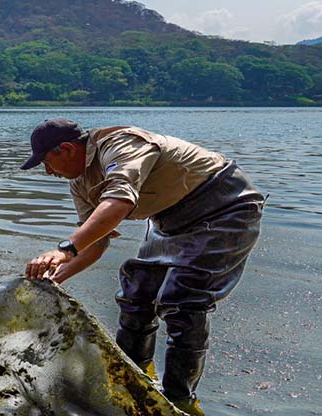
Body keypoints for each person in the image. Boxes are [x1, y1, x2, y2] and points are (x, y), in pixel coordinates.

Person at [21, 118, 265, 416]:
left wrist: (65, 249)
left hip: (224, 206)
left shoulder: (120, 145)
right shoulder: (80, 183)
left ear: (68, 149)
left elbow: (119, 202)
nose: (48, 172)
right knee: (136, 294)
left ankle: (178, 400)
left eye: (47, 162)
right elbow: (96, 242)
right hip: (168, 221)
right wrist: (55, 278)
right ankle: (132, 381)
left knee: (182, 298)